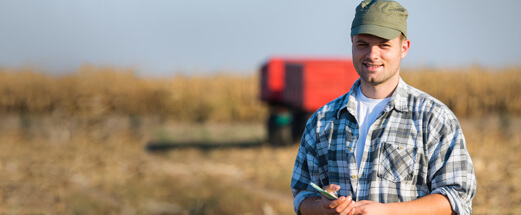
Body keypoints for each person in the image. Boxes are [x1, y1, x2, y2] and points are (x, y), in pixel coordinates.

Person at [290, 0, 477, 214]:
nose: (372, 55)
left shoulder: (434, 119)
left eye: (384, 45)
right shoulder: (322, 120)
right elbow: (302, 195)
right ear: (351, 42)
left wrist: (388, 211)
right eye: (363, 44)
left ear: (404, 48)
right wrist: (323, 207)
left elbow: (457, 198)